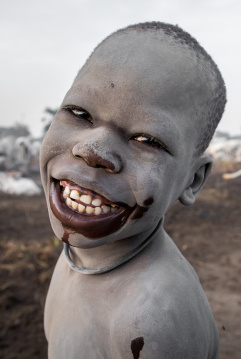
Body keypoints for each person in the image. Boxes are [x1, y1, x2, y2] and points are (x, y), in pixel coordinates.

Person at [40, 21, 226, 358]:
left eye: (147, 140)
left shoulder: (149, 323)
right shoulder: (80, 257)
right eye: (79, 113)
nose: (92, 150)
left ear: (193, 180)